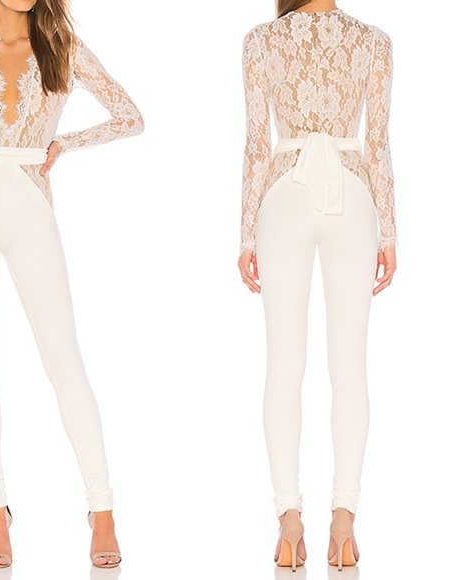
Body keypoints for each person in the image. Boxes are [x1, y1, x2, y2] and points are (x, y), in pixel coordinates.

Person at [0, 0, 143, 569]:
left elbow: (130, 116)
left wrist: (65, 144)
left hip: (28, 201)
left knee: (64, 359)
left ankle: (102, 509)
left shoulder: (63, 48)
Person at [237, 0, 397, 571]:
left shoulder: (261, 40)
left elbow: (257, 144)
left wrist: (246, 234)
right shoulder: (373, 41)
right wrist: (388, 230)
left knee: (284, 364)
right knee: (349, 365)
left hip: (283, 194)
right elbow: (377, 143)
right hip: (352, 195)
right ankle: (344, 522)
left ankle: (288, 523)